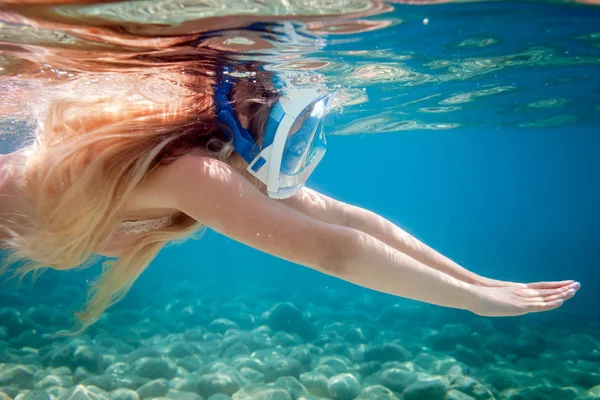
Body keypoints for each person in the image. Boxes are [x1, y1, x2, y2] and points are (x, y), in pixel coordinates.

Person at [0, 56, 580, 334]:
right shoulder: (191, 170)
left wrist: (479, 282)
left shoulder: (219, 154)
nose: (294, 144)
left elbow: (346, 217)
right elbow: (333, 250)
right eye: (287, 127)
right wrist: (468, 303)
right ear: (244, 114)